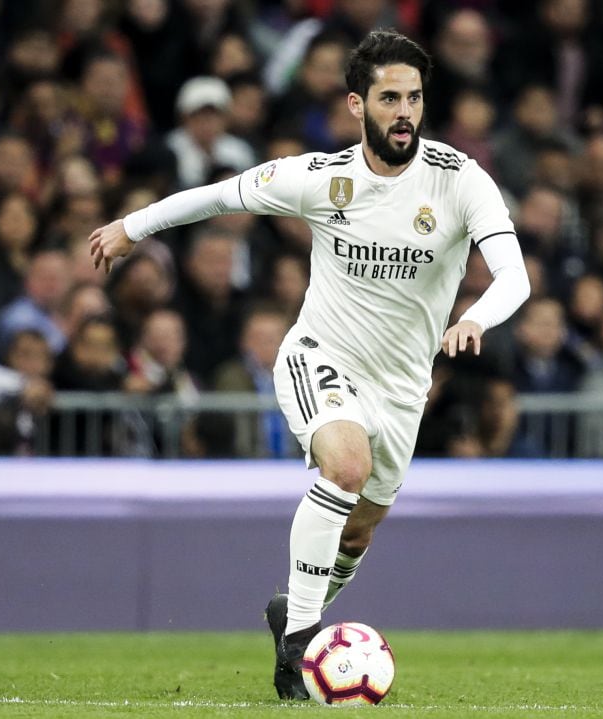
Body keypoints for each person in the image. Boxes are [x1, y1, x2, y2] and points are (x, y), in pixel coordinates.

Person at [89, 30, 528, 701]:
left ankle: (292, 603)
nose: (405, 109)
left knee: (361, 526)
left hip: (403, 385)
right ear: (358, 104)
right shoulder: (322, 179)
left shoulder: (460, 179)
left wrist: (475, 317)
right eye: (389, 97)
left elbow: (514, 277)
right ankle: (298, 646)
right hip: (322, 355)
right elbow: (219, 195)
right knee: (344, 467)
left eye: (414, 96)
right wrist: (131, 226)